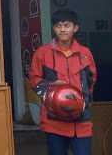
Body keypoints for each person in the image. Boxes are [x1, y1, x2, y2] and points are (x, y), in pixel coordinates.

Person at [29, 9, 97, 155]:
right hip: (54, 122)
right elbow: (34, 80)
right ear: (54, 28)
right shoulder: (43, 53)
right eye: (58, 26)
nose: (63, 29)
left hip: (82, 121)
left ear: (75, 28)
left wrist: (82, 101)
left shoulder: (85, 53)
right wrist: (51, 87)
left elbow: (92, 80)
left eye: (67, 25)